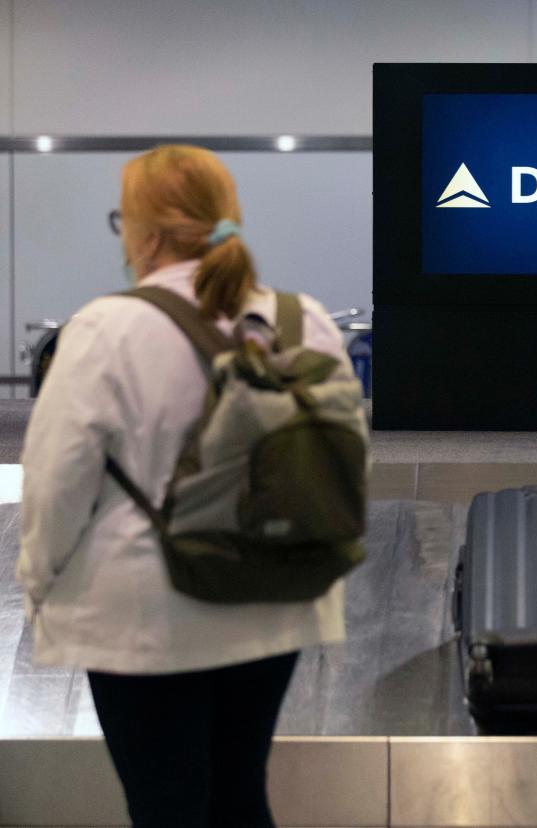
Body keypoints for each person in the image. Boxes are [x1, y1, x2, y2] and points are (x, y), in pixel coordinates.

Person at [16, 145, 353, 827]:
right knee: (239, 795)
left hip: (147, 614)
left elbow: (56, 485)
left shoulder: (106, 330)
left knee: (165, 805)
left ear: (139, 231)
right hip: (273, 597)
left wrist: (38, 587)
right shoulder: (303, 319)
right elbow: (343, 460)